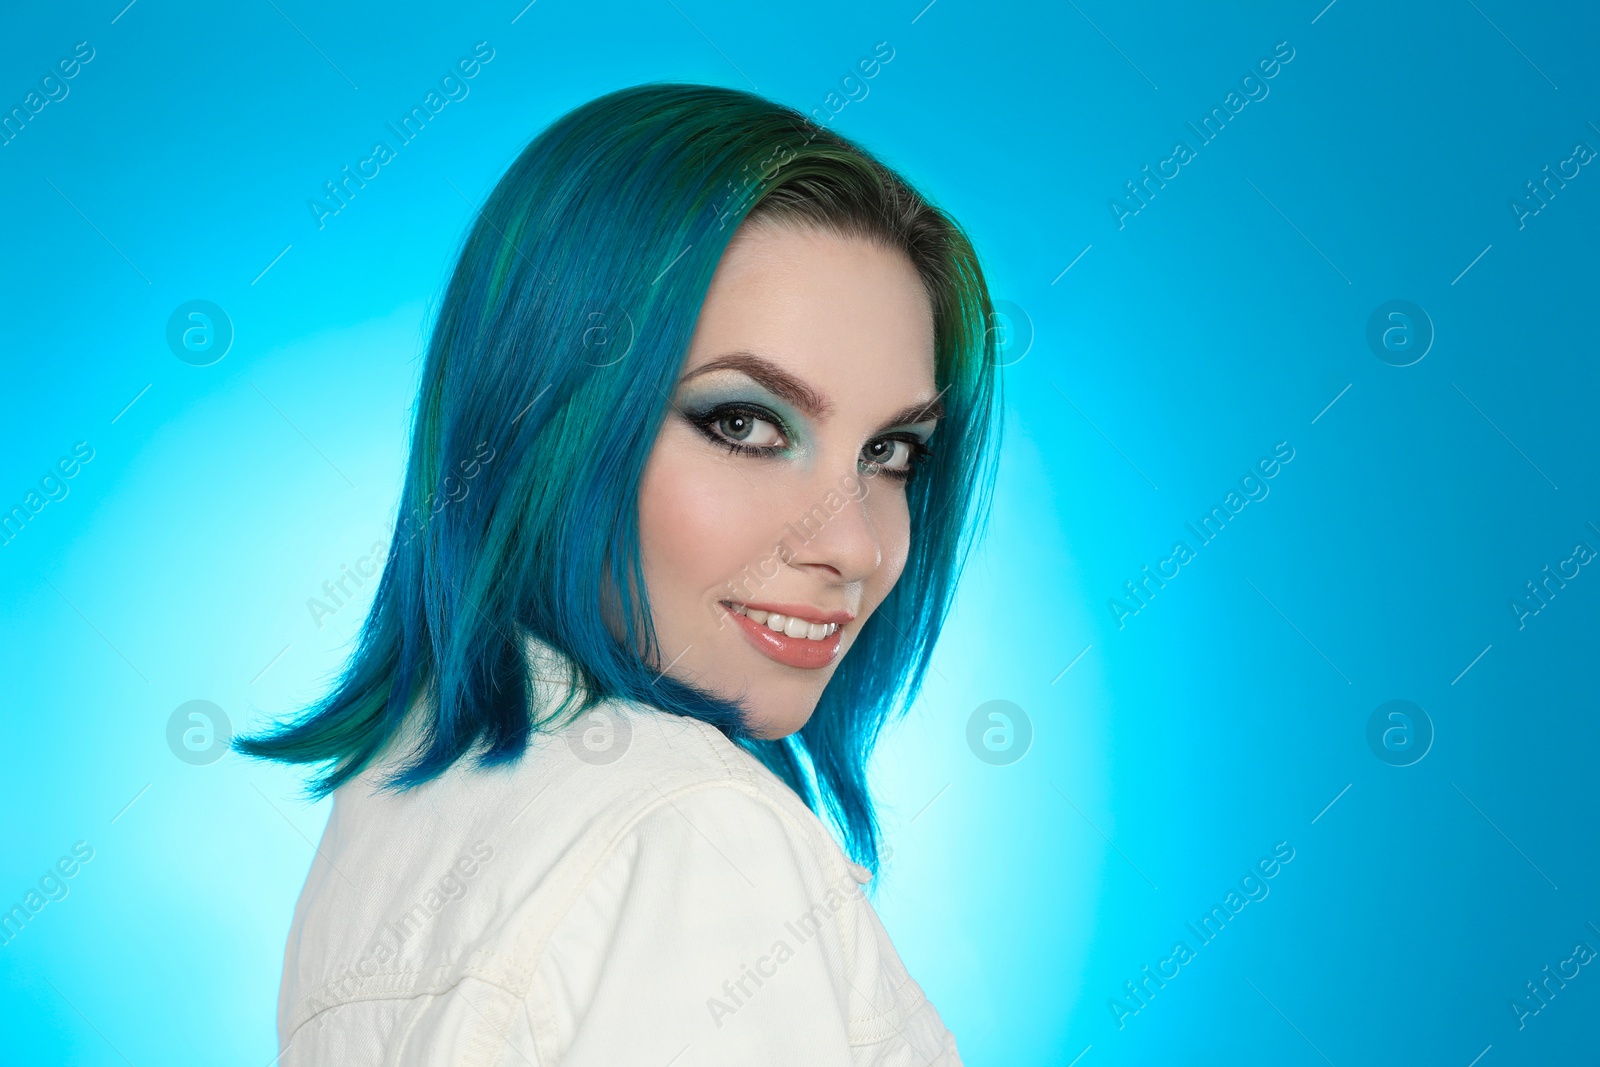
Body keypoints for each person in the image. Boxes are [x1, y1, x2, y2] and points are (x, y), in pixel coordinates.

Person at [236, 81, 1002, 1065]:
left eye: (893, 452)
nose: (853, 545)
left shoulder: (391, 810)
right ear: (541, 415)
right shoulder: (688, 831)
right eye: (743, 424)